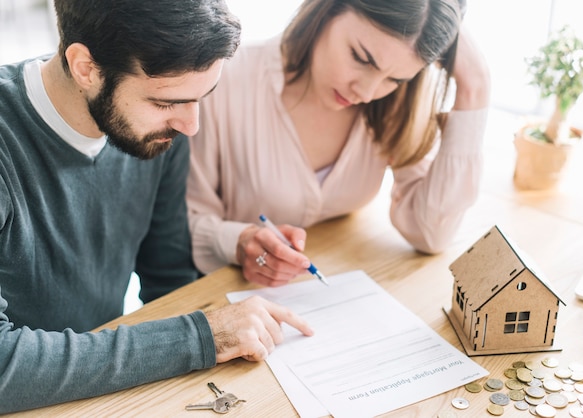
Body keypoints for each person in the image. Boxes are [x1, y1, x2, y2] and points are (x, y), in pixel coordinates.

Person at [0, 0, 312, 413]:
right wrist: (200, 337)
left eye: (202, 97)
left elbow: (169, 280)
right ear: (85, 68)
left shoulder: (158, 133)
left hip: (102, 397)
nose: (190, 125)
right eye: (166, 103)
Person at [186, 0, 491, 287]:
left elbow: (431, 232)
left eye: (395, 79)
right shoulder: (225, 83)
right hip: (222, 295)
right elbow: (181, 223)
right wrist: (239, 242)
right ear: (327, 9)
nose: (367, 91)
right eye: (361, 58)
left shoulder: (394, 107)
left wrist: (475, 87)